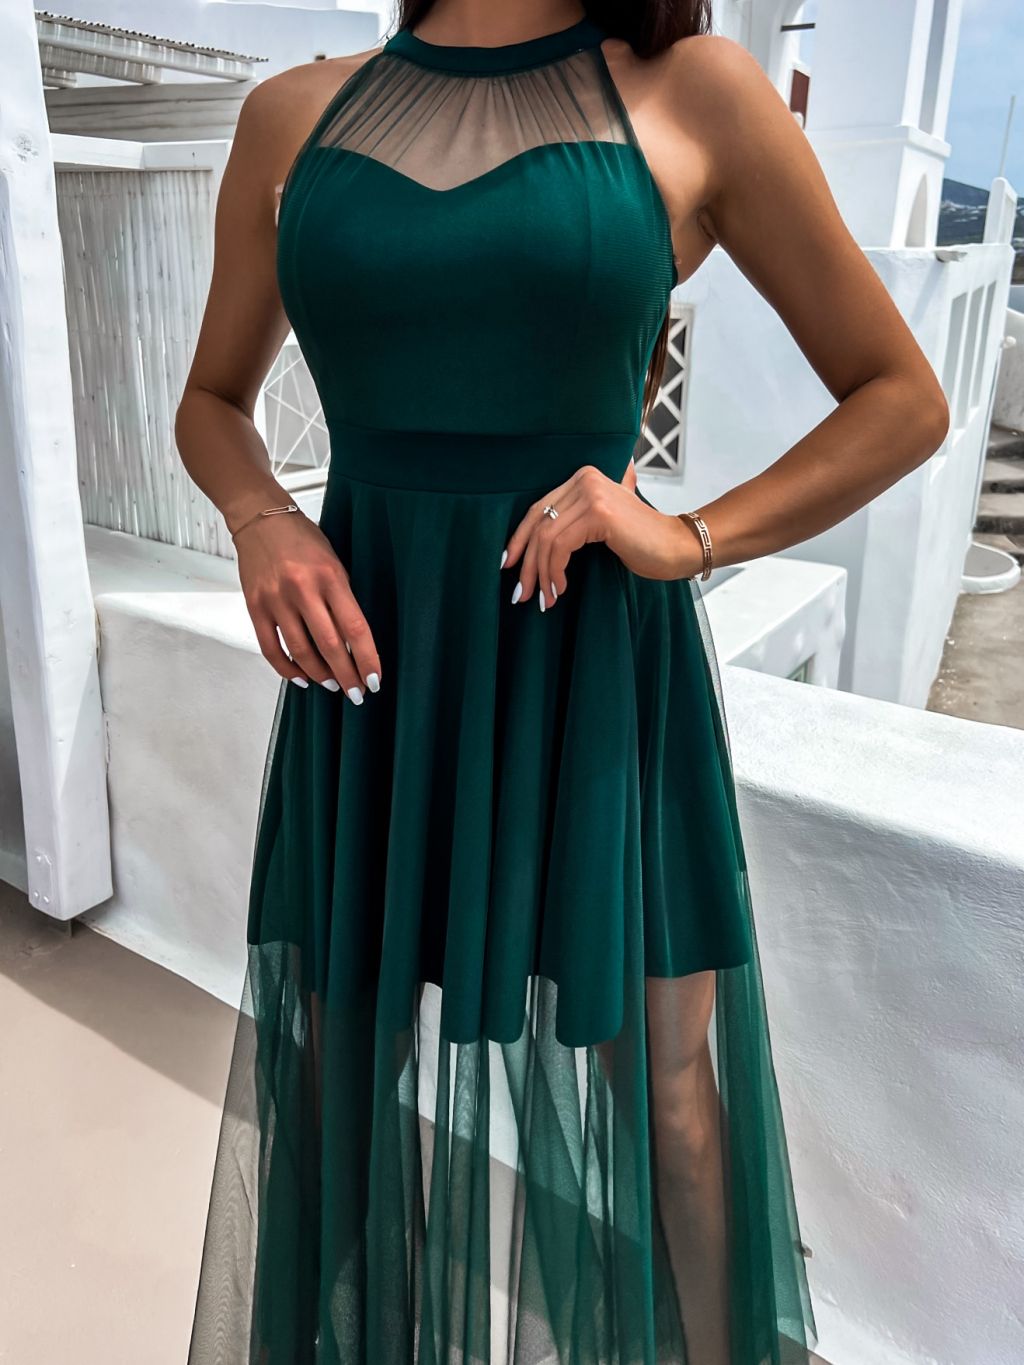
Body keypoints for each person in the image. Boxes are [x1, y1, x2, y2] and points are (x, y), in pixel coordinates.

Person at [175, 3, 950, 1361]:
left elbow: (901, 396)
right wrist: (262, 521)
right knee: (340, 1085)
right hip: (377, 684)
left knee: (667, 1097)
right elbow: (212, 402)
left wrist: (688, 534)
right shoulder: (290, 115)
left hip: (592, 677)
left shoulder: (697, 92)